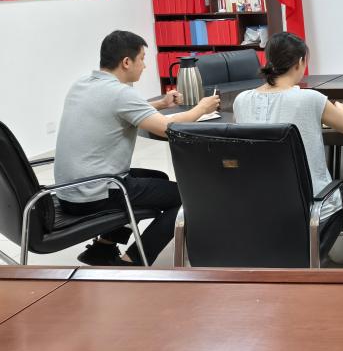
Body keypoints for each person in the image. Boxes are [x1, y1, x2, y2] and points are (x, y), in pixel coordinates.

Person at [55, 30, 221, 266]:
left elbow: (119, 109)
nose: (144, 66)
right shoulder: (121, 93)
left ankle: (103, 248)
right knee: (188, 197)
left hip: (69, 190)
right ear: (126, 62)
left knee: (158, 178)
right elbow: (167, 128)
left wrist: (161, 103)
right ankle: (133, 261)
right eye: (142, 58)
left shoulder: (82, 84)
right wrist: (202, 108)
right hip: (95, 193)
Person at [233, 32, 343, 227]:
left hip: (256, 209)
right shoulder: (310, 99)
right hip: (310, 212)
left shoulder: (241, 100)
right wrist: (342, 111)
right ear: (300, 62)